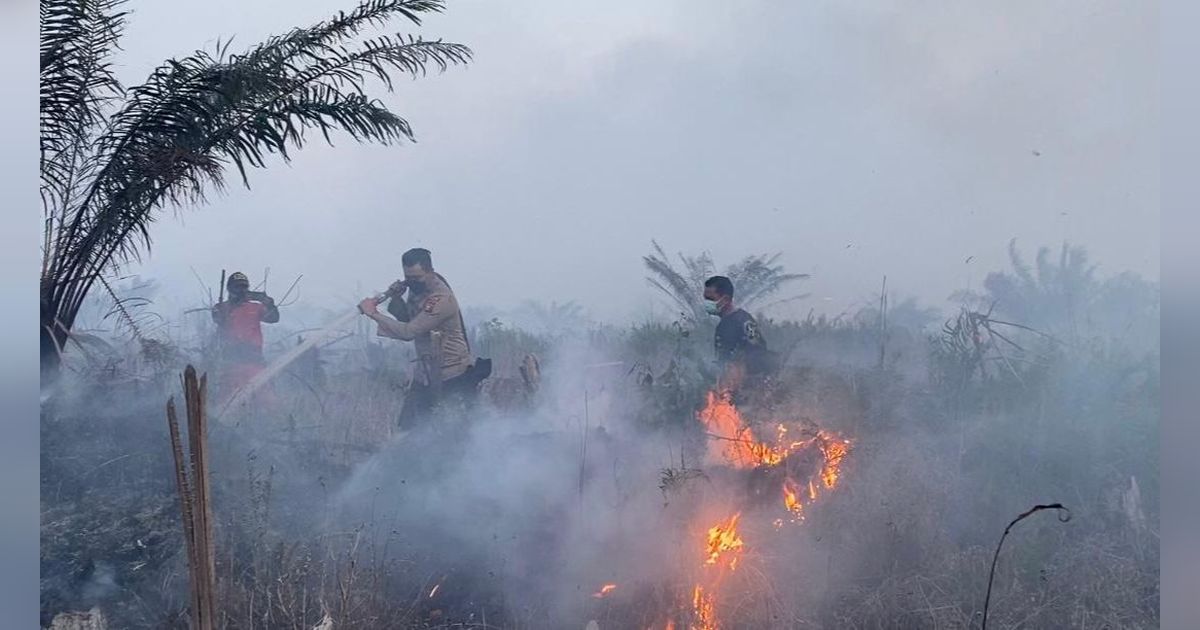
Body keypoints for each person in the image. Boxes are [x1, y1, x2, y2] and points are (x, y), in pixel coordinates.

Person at [357, 248, 487, 428]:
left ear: (430, 271)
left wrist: (373, 313)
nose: (412, 283)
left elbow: (409, 332)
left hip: (452, 375)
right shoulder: (417, 290)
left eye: (416, 278)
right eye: (408, 277)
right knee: (407, 430)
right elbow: (406, 319)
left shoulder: (441, 299)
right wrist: (396, 298)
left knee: (454, 433)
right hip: (425, 374)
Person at [703, 275, 776, 401]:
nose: (707, 303)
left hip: (748, 391)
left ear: (725, 299)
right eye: (705, 298)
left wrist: (740, 375)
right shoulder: (723, 324)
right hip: (729, 389)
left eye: (710, 299)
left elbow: (758, 353)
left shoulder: (742, 321)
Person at [211, 271, 279, 398]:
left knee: (264, 398)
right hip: (231, 361)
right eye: (238, 287)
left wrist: (269, 303)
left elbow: (273, 318)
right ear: (230, 289)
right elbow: (217, 319)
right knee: (228, 398)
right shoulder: (221, 307)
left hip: (254, 359)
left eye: (244, 287)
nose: (242, 291)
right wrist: (233, 305)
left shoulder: (256, 307)